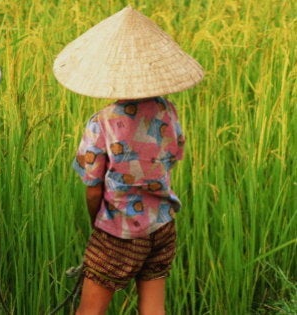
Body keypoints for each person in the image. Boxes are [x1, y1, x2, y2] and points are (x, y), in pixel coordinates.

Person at [53, 6, 204, 315]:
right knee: (153, 309)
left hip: (118, 231)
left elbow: (93, 188)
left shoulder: (103, 122)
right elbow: (174, 155)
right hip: (162, 225)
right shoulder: (168, 111)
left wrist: (97, 223)